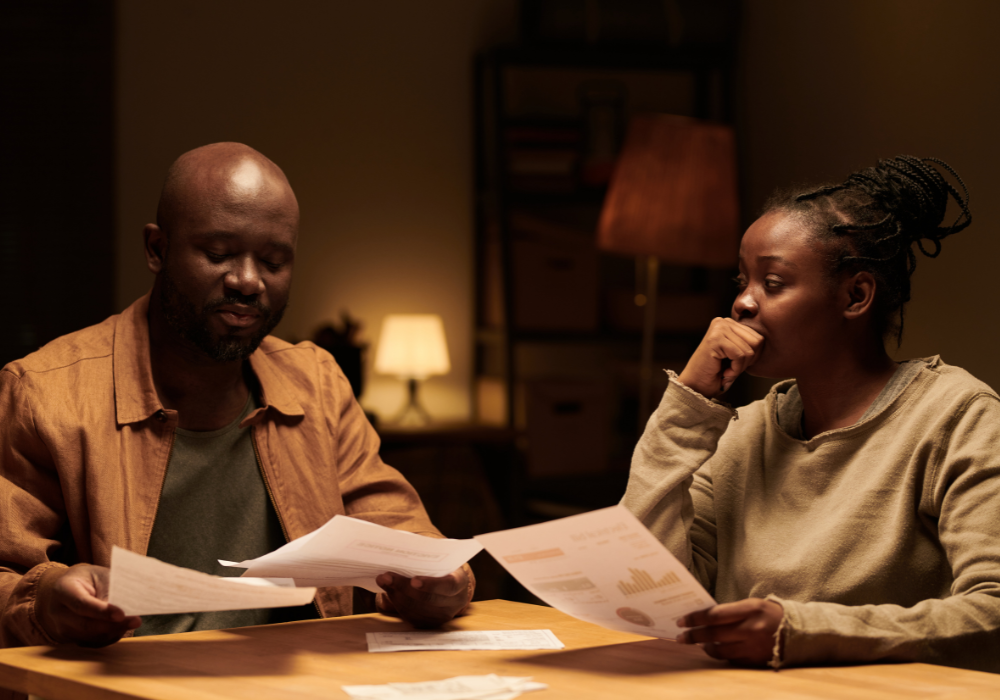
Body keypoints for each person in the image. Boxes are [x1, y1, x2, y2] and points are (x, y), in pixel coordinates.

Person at [0, 143, 473, 650]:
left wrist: (442, 583)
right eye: (218, 254)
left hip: (302, 685)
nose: (248, 282)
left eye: (273, 261)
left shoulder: (315, 382)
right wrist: (45, 597)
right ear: (157, 249)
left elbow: (407, 537)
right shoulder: (46, 392)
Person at [621, 155, 1000, 672]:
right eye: (742, 281)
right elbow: (653, 592)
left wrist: (805, 633)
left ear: (855, 295)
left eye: (772, 282)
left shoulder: (958, 417)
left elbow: (992, 614)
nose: (743, 305)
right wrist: (687, 403)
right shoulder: (743, 432)